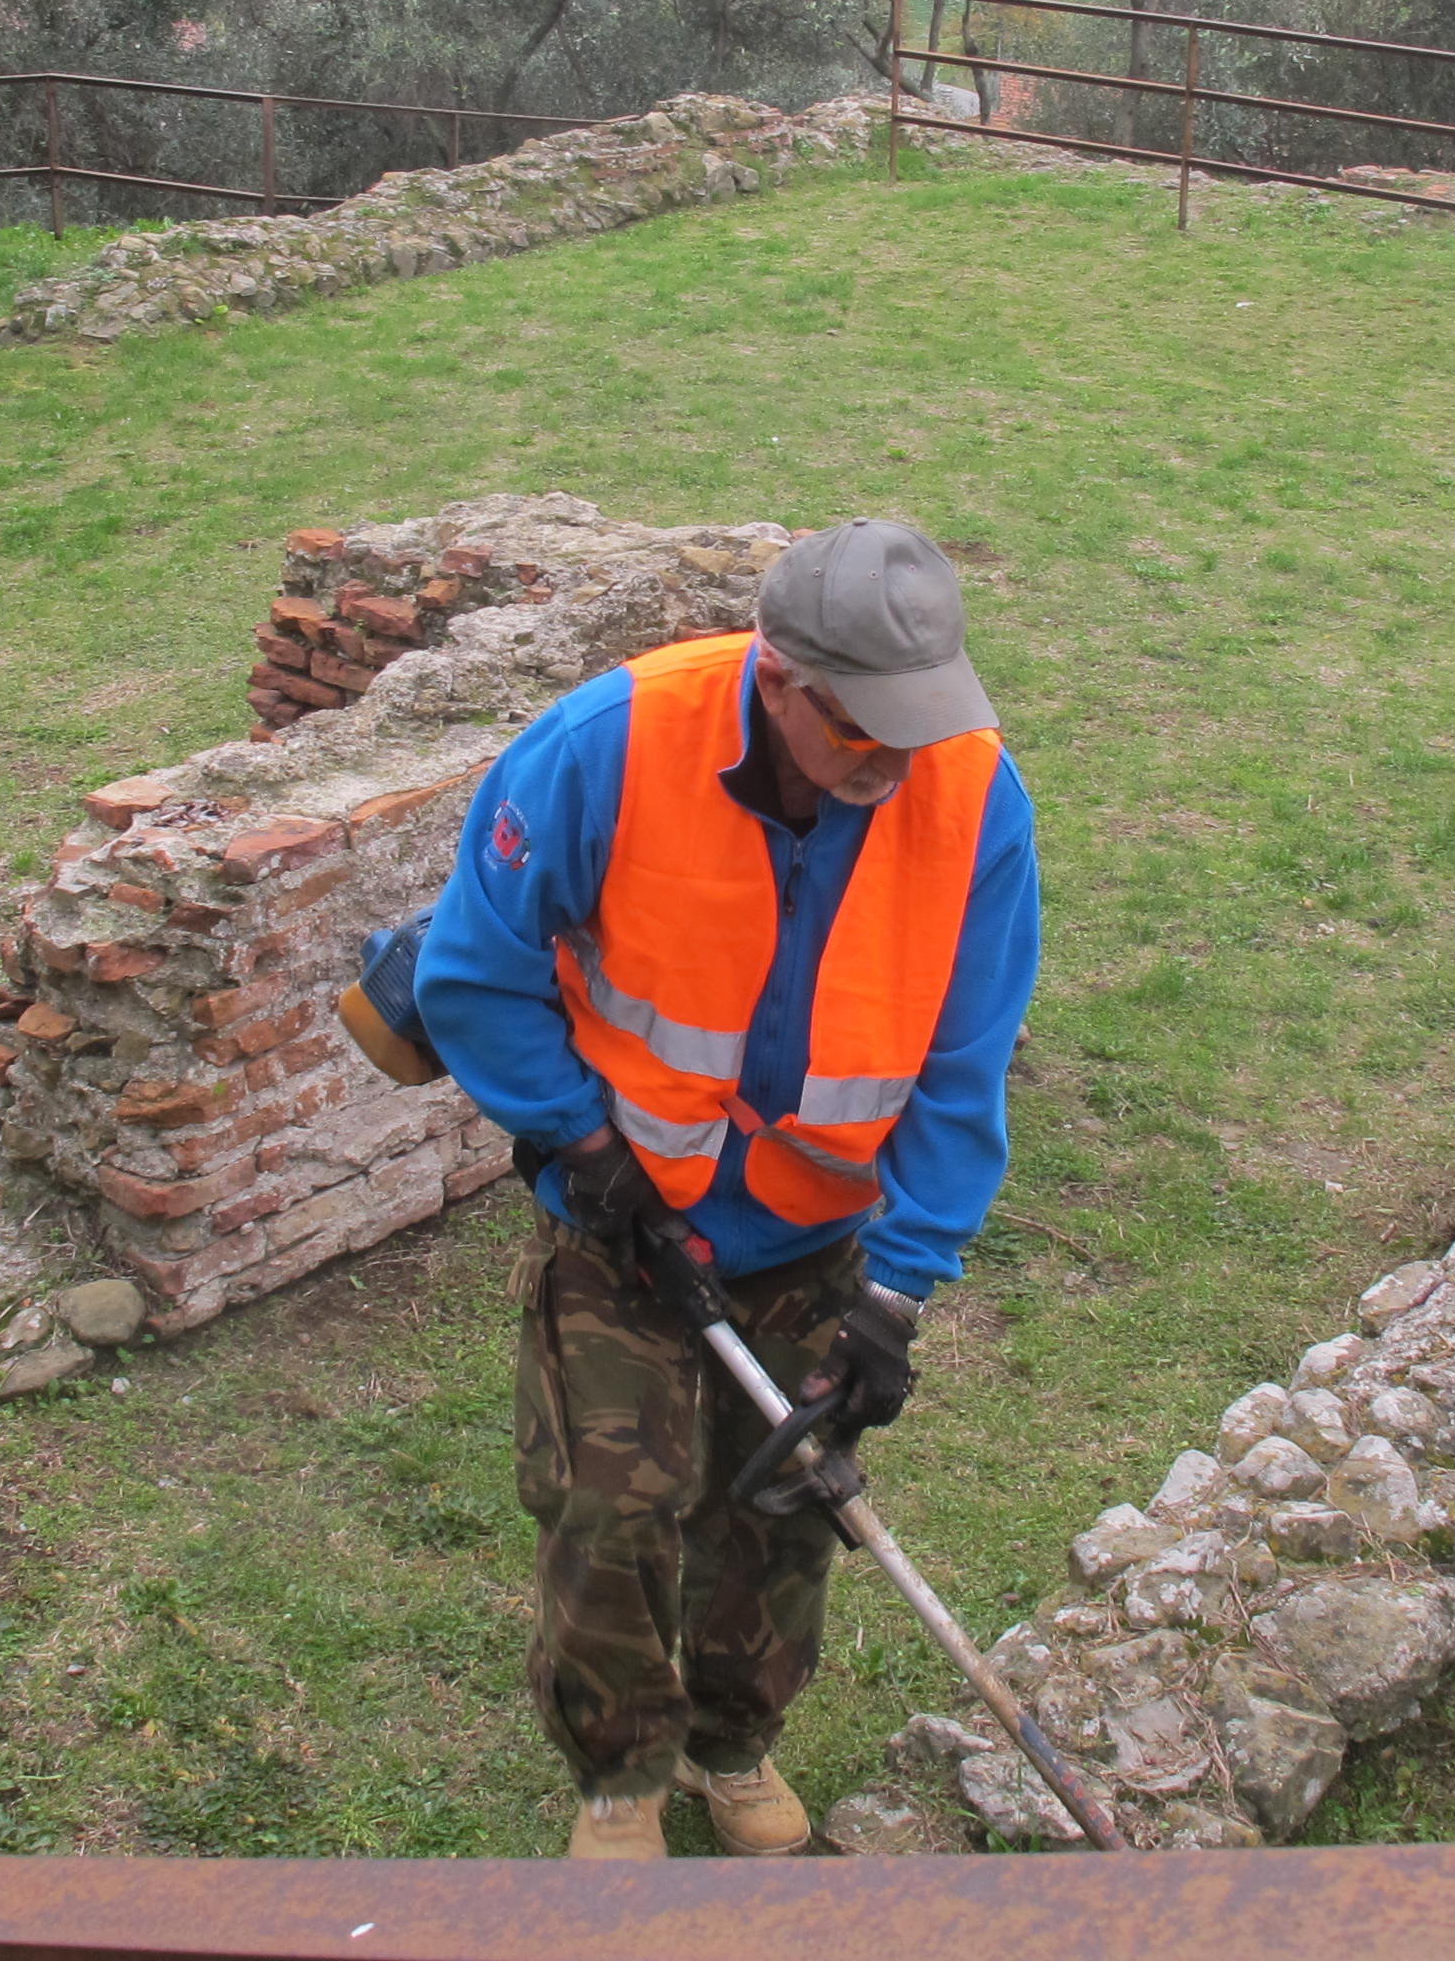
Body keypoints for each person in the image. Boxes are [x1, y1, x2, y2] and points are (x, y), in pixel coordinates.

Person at [412, 519, 1039, 1861]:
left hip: (816, 1231)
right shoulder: (607, 747)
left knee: (783, 1508)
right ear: (778, 676)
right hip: (620, 1213)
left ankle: (730, 1745)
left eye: (916, 728)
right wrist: (582, 1148)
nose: (890, 765)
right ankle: (621, 1773)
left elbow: (962, 1062)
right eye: (860, 731)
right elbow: (473, 972)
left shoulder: (974, 796)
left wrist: (898, 1293)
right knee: (611, 1500)